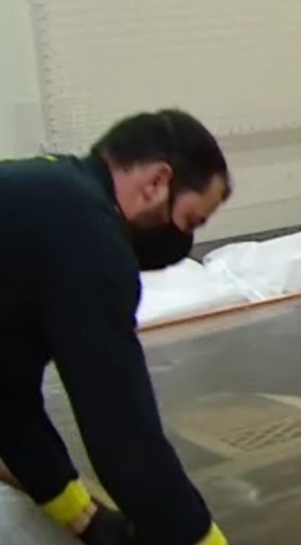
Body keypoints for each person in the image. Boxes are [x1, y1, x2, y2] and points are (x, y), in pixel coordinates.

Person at [0, 109, 234, 545]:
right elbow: (124, 438)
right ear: (156, 182)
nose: (183, 242)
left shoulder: (45, 198)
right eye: (190, 221)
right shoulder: (88, 233)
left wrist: (83, 517)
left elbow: (8, 399)